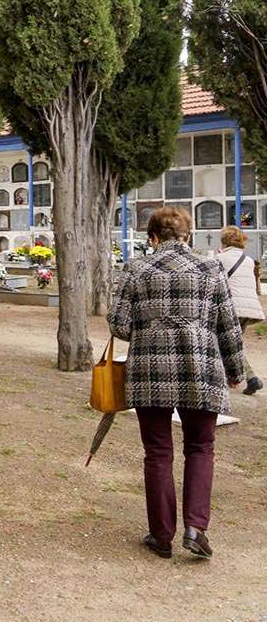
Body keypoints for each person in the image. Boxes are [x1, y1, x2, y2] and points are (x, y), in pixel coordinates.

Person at [108, 206, 245, 559]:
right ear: (188, 236)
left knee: (157, 452)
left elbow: (119, 326)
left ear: (152, 238)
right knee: (200, 447)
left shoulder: (136, 269)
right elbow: (227, 325)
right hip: (201, 370)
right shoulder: (210, 268)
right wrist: (235, 371)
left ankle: (161, 535)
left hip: (149, 374)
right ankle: (196, 528)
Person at [215, 226, 264, 395]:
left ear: (224, 240)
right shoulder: (248, 260)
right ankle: (251, 379)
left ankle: (247, 378)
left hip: (230, 308)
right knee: (234, 345)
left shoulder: (219, 258)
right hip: (248, 310)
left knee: (223, 344)